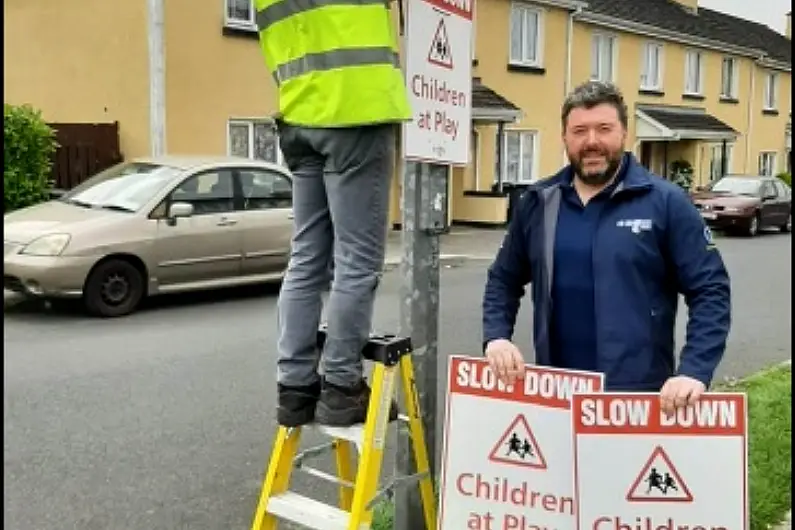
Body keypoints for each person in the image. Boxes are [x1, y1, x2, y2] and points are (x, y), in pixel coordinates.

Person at [481, 81, 731, 416]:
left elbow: (710, 290)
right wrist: (496, 337)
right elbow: (503, 279)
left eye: (604, 129)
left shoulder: (666, 202)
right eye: (579, 131)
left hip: (638, 400)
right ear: (565, 138)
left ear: (624, 133)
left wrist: (694, 371)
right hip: (557, 394)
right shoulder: (540, 201)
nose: (592, 142)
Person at [253, 0, 412, 427]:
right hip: (354, 110)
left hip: (300, 115)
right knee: (357, 262)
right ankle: (342, 387)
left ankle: (295, 388)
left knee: (306, 258)